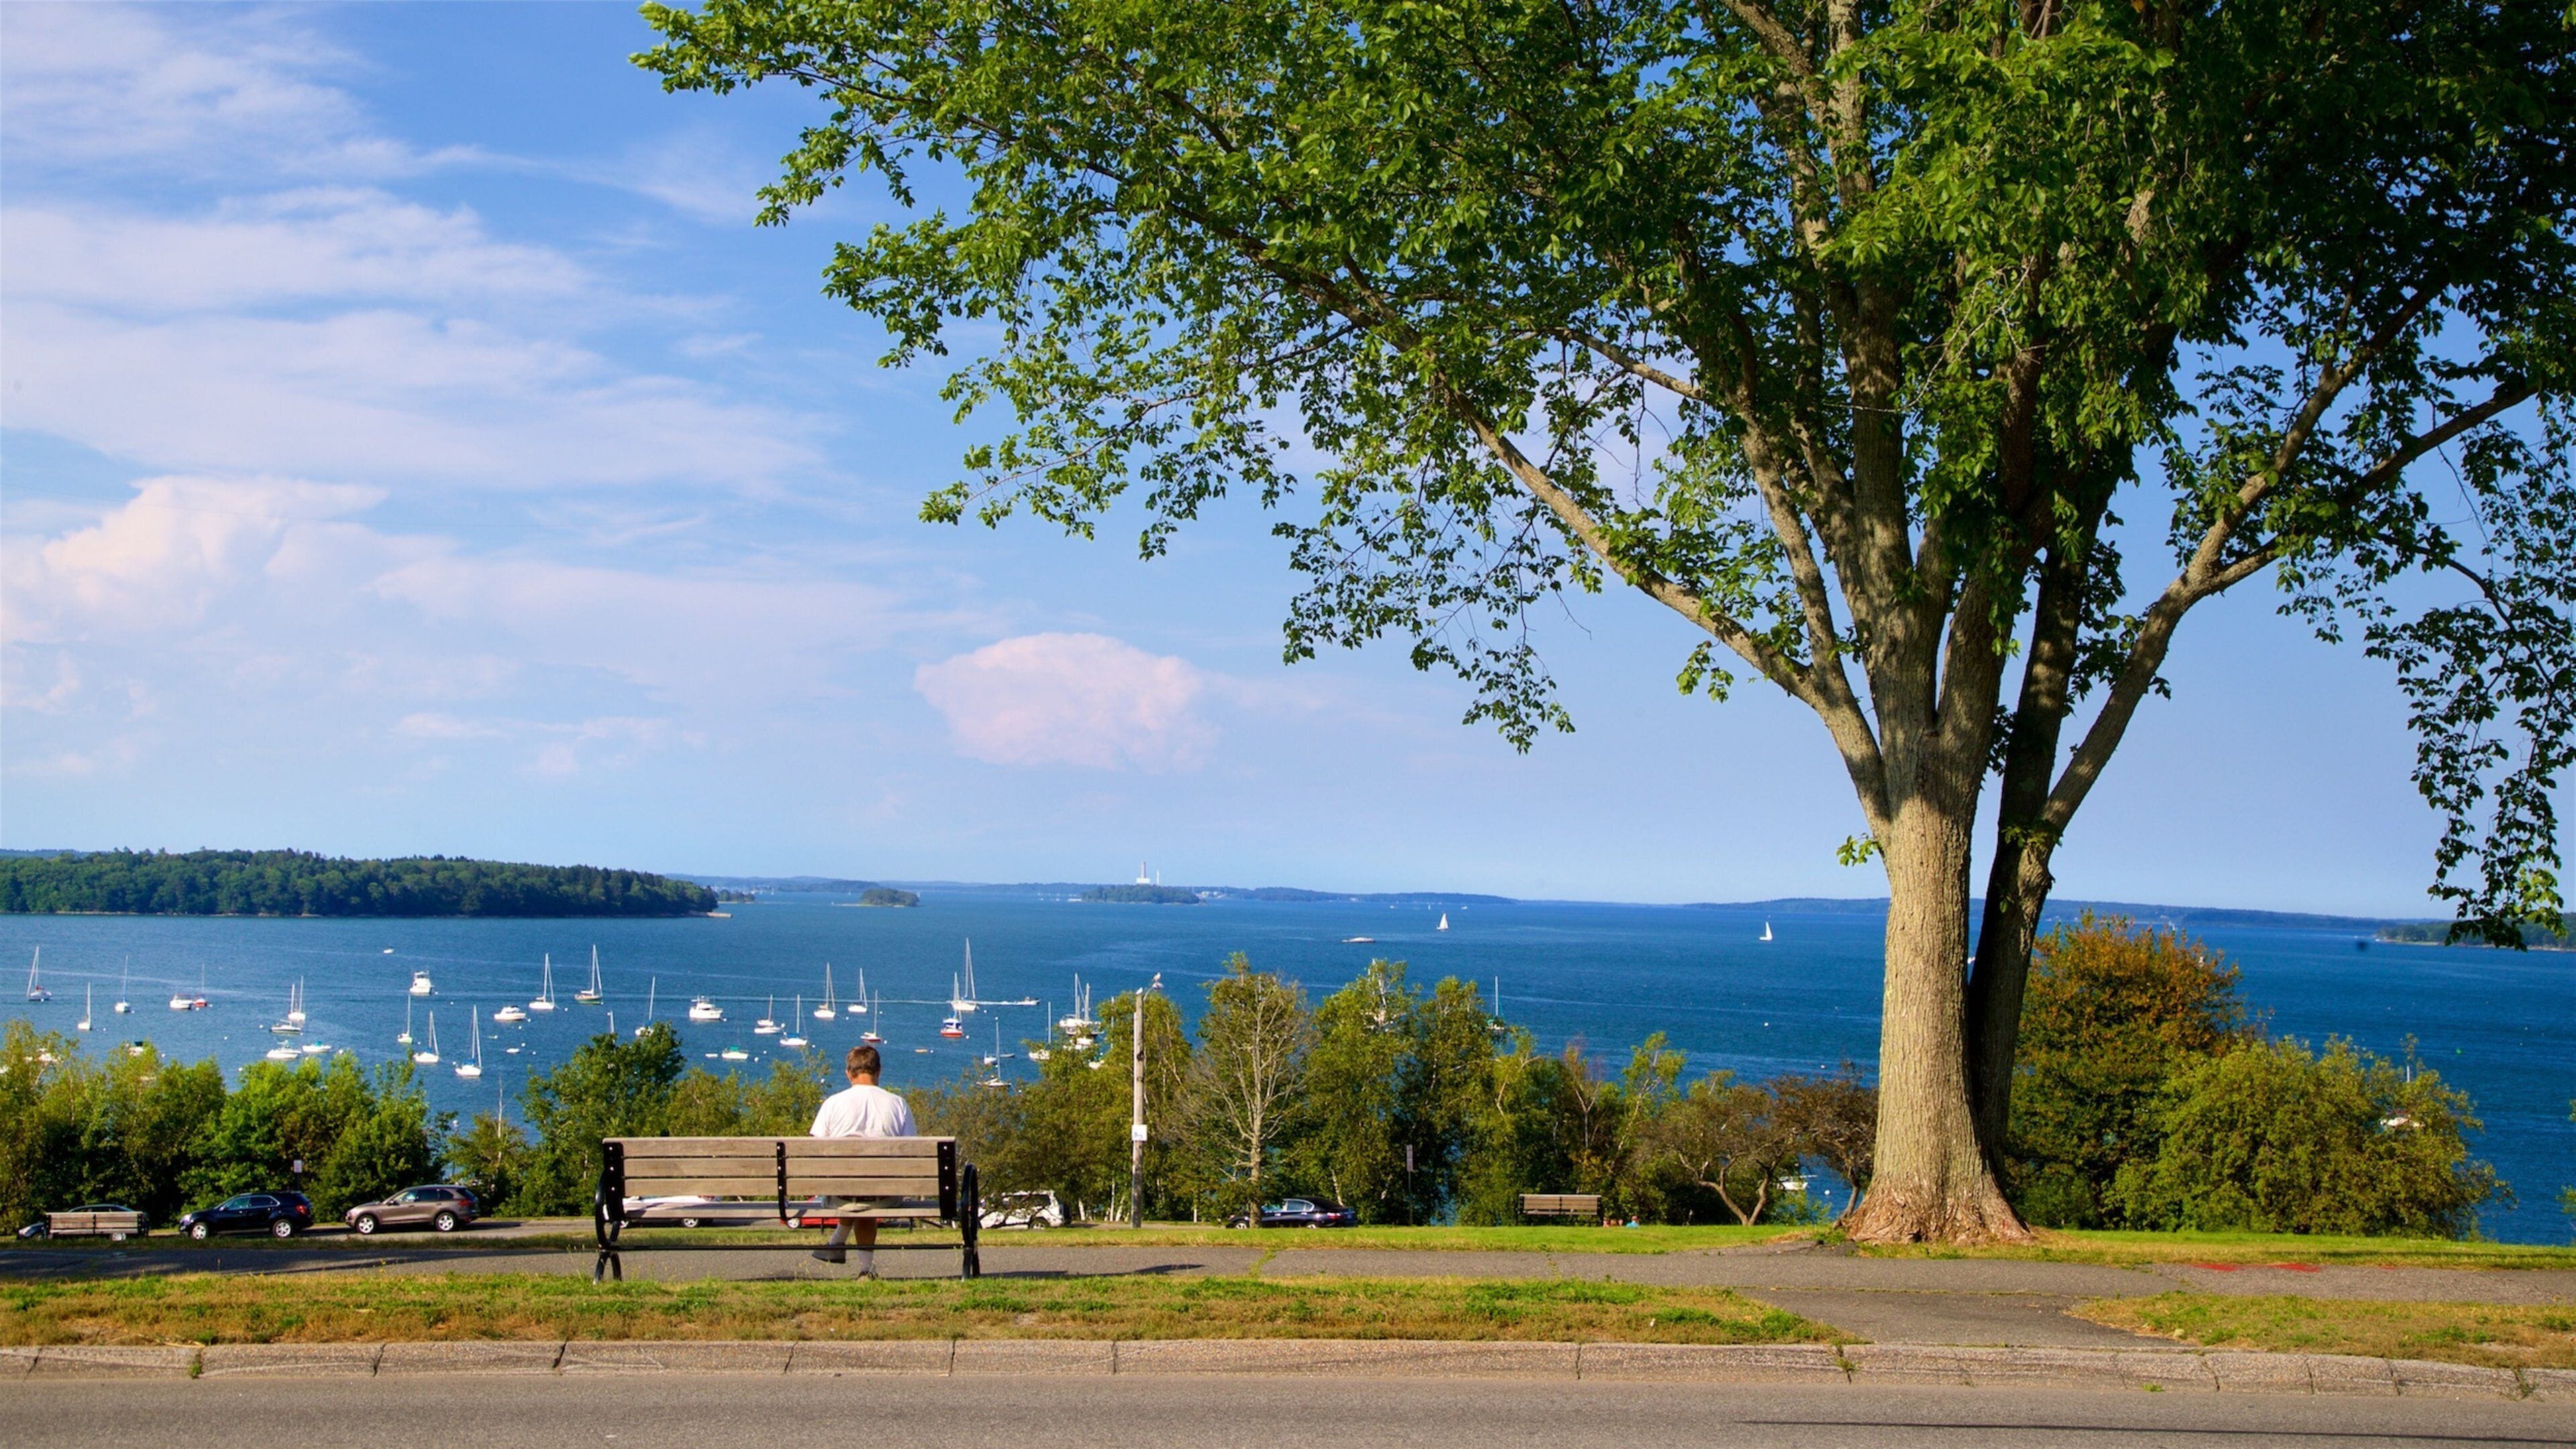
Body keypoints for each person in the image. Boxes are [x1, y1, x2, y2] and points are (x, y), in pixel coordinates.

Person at [809, 1043, 914, 1273]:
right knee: (868, 1193)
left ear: (849, 1074)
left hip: (840, 1194)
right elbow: (911, 1151)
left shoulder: (833, 1104)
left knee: (855, 1192)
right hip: (885, 1196)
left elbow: (815, 1151)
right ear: (879, 1071)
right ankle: (865, 1270)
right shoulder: (898, 1104)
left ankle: (837, 1243)